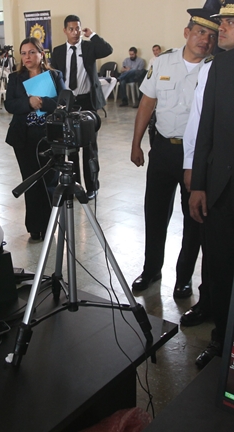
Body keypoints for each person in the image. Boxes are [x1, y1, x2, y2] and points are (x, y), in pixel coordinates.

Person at [129, 8, 218, 300]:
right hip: (164, 150)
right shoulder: (162, 61)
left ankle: (183, 279)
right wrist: (136, 143)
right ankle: (151, 269)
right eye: (200, 32)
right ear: (187, 33)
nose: (205, 40)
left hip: (199, 157)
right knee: (154, 213)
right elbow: (147, 104)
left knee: (193, 220)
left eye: (211, 35)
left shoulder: (215, 68)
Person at [187, 2, 234, 368]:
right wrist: (199, 184)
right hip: (220, 190)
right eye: (223, 21)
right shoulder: (220, 68)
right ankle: (221, 341)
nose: (222, 28)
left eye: (230, 22)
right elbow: (206, 130)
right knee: (219, 268)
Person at [4, 37, 65, 241]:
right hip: (24, 136)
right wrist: (28, 103)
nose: (27, 57)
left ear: (41, 54)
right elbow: (10, 104)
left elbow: (63, 102)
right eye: (23, 53)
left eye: (31, 52)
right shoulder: (15, 78)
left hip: (49, 136)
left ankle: (50, 224)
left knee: (49, 181)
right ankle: (34, 227)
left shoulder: (54, 76)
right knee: (30, 181)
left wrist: (42, 102)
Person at [51, 14, 113, 200]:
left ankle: (93, 185)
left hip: (87, 101)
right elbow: (54, 75)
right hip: (69, 103)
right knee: (72, 146)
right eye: (71, 29)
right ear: (65, 31)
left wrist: (92, 35)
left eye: (77, 28)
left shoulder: (88, 47)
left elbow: (107, 49)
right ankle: (75, 185)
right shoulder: (58, 51)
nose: (75, 32)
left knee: (89, 146)